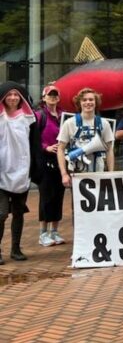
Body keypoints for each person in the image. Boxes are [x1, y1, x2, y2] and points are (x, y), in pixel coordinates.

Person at [0, 82, 41, 263]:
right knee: (1, 213)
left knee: (18, 212)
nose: (13, 98)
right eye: (9, 95)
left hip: (21, 172)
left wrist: (34, 169)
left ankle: (16, 248)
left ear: (21, 98)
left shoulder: (29, 119)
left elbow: (34, 144)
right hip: (1, 172)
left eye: (16, 95)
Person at [57, 88, 115, 189]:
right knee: (77, 204)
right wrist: (64, 174)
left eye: (91, 100)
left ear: (96, 102)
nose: (88, 102)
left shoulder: (104, 124)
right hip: (76, 172)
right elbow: (60, 149)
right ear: (79, 103)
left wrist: (111, 174)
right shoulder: (69, 123)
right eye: (84, 100)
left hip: (98, 171)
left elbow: (109, 150)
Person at [35, 84, 66, 248]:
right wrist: (45, 147)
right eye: (49, 95)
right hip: (45, 161)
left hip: (60, 161)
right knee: (46, 196)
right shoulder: (39, 115)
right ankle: (43, 233)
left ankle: (54, 230)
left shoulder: (63, 116)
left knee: (58, 195)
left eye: (55, 95)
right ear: (44, 97)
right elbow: (32, 139)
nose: (53, 97)